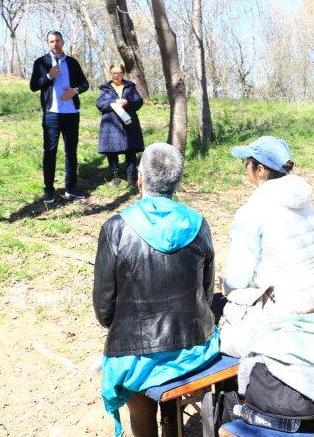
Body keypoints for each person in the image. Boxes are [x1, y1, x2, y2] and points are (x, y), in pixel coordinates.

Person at [93, 143, 217, 437]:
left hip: (136, 355)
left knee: (136, 392)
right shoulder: (198, 224)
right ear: (177, 181)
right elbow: (207, 293)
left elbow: (103, 309)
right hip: (196, 346)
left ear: (139, 178)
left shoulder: (115, 228)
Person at [219, 136, 314, 357]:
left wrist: (225, 285)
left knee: (217, 308)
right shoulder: (303, 201)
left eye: (246, 163)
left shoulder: (252, 211)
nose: (245, 168)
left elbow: (238, 279)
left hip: (281, 311)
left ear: (260, 170)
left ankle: (230, 388)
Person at [29, 31, 90, 203]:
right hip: (52, 114)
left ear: (62, 41)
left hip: (71, 113)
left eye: (57, 41)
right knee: (50, 152)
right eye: (51, 41)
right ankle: (49, 190)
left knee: (71, 152)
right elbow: (34, 86)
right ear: (48, 43)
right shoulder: (41, 62)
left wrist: (75, 91)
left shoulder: (72, 62)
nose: (54, 44)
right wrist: (49, 76)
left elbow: (85, 84)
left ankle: (71, 188)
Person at [96, 62, 145, 189]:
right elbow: (100, 104)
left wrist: (127, 102)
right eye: (113, 73)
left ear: (123, 73)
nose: (116, 75)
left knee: (130, 150)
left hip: (129, 123)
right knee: (111, 151)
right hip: (111, 124)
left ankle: (131, 177)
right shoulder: (105, 88)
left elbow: (139, 102)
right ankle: (115, 176)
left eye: (119, 72)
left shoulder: (130, 86)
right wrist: (114, 101)